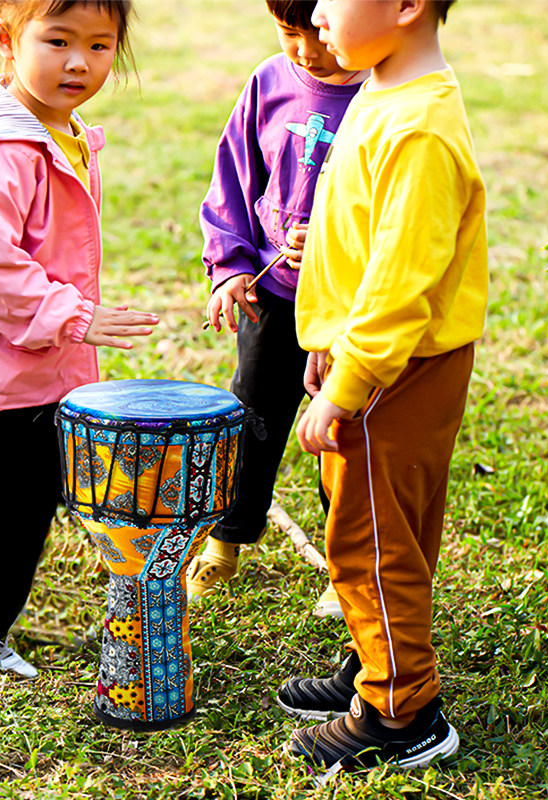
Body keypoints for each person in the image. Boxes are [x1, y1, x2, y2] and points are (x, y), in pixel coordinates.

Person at [0, 0, 157, 679]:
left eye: (100, 46)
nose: (79, 63)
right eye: (58, 41)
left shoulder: (56, 130)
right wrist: (73, 317)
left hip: (35, 363)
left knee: (27, 500)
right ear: (6, 38)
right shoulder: (4, 150)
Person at [278, 0, 488, 779]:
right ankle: (375, 659)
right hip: (376, 357)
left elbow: (402, 287)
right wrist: (327, 338)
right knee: (384, 526)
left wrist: (351, 380)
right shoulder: (387, 86)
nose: (318, 11)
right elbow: (359, 241)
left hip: (395, 370)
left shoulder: (419, 129)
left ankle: (403, 711)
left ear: (404, 6)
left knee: (369, 538)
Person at [187, 0, 366, 612]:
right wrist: (230, 266)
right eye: (289, 33)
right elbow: (233, 179)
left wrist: (332, 241)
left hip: (349, 309)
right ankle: (225, 542)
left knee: (344, 433)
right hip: (275, 298)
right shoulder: (268, 82)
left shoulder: (381, 98)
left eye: (318, 32)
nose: (306, 53)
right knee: (252, 420)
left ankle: (348, 568)